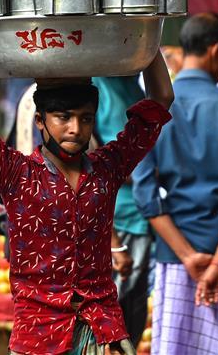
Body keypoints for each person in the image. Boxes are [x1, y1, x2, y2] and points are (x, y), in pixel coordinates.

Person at [0, 3, 174, 355]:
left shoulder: (107, 168)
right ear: (40, 122)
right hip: (39, 334)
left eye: (85, 118)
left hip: (102, 330)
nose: (76, 129)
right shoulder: (15, 173)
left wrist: (147, 32)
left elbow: (161, 99)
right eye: (63, 117)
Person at [133, 13, 218, 355]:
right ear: (216, 51)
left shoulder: (151, 112)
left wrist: (188, 257)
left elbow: (146, 196)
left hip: (175, 257)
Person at [92, 76, 152, 349]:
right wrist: (114, 243)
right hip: (118, 220)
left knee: (132, 317)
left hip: (141, 216)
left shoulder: (130, 82)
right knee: (108, 324)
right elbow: (90, 163)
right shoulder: (96, 86)